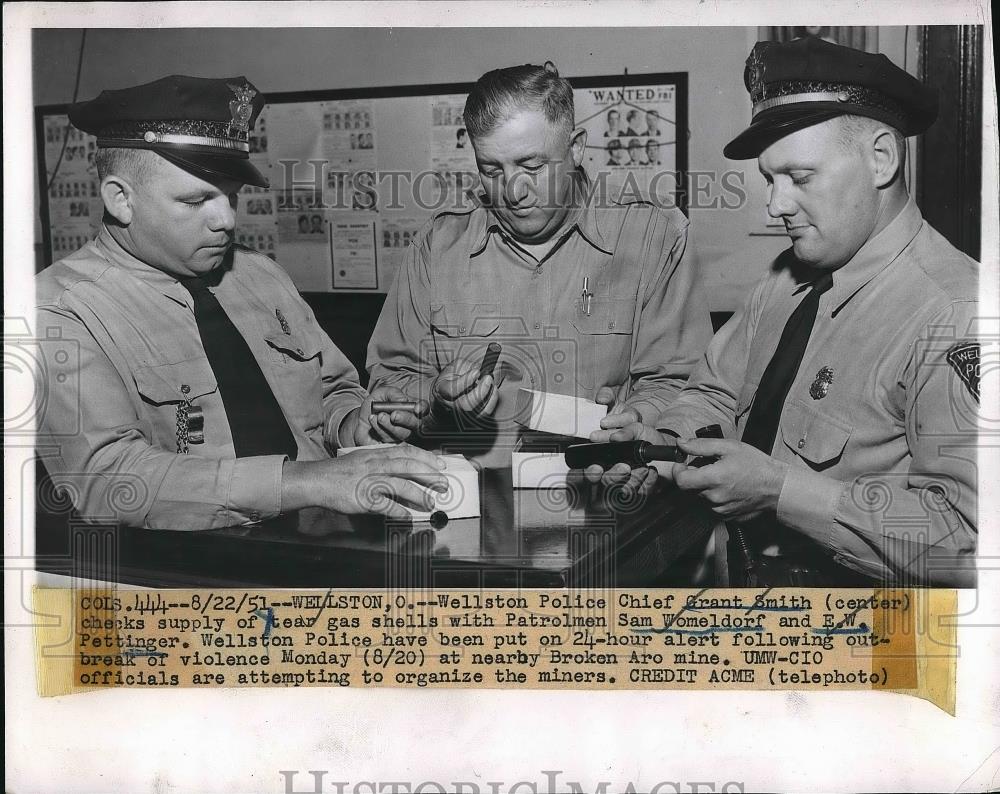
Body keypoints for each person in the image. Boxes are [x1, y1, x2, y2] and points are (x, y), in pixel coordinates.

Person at [584, 38, 979, 587]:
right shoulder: (784, 277)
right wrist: (658, 439)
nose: (776, 206)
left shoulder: (957, 313)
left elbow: (967, 543)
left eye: (801, 177)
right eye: (770, 180)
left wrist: (780, 490)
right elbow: (716, 391)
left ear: (881, 158)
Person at [35, 75, 446, 530]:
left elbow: (332, 394)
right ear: (120, 199)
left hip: (322, 549)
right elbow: (109, 482)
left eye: (231, 196)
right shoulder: (59, 308)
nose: (227, 220)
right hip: (188, 574)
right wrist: (308, 481)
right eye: (196, 201)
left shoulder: (260, 276)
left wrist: (358, 424)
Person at [367, 62, 712, 467]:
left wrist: (635, 418)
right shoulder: (438, 246)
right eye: (491, 170)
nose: (513, 191)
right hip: (471, 501)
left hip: (607, 496)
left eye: (532, 166)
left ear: (577, 147)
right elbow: (392, 378)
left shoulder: (652, 235)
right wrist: (434, 400)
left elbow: (681, 383)